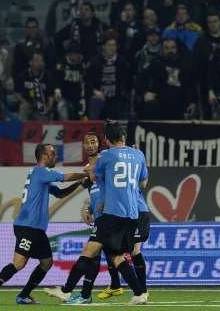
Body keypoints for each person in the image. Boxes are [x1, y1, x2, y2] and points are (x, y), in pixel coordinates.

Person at [44, 121, 148, 305]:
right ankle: (140, 292)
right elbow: (143, 184)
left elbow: (93, 177)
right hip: (132, 214)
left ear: (106, 140)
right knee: (116, 255)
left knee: (89, 251)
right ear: (123, 137)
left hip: (113, 213)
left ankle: (67, 291)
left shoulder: (106, 156)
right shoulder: (138, 154)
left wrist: (94, 177)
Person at [0, 144, 86, 305]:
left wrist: (80, 184)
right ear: (43, 156)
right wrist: (85, 174)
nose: (55, 156)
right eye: (53, 153)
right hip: (27, 227)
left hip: (35, 229)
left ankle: (23, 295)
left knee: (47, 262)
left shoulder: (40, 176)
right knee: (19, 263)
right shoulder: (41, 172)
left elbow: (61, 193)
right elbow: (65, 177)